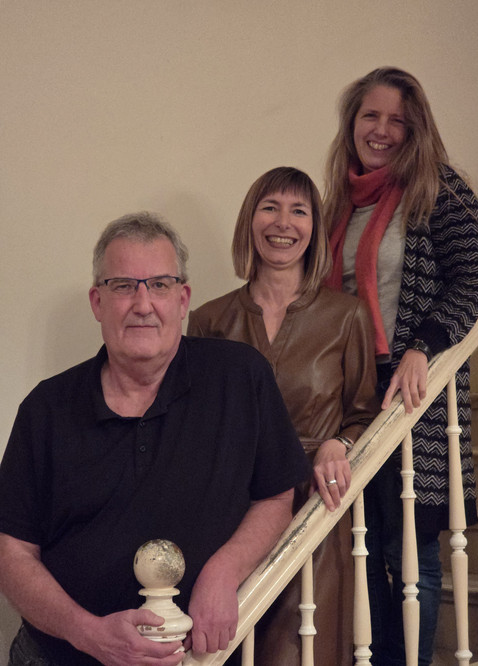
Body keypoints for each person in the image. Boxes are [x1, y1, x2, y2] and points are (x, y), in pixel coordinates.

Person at [0, 212, 311, 666]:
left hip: (198, 658)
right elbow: (11, 552)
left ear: (183, 300)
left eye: (160, 285)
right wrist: (88, 633)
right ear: (97, 302)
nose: (143, 304)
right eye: (123, 286)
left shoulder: (240, 377)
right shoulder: (45, 409)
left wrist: (224, 571)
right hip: (56, 656)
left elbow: (277, 497)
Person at [323, 66, 478, 665]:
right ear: (352, 123)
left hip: (414, 394)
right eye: (371, 115)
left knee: (410, 551)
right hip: (351, 394)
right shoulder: (337, 203)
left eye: (397, 119)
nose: (382, 130)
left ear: (416, 128)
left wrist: (423, 345)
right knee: (359, 549)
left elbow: (473, 281)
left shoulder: (439, 188)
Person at [187, 166, 379, 665]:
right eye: (270, 207)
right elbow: (195, 428)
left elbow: (364, 414)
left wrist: (340, 443)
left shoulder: (347, 315)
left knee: (299, 651)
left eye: (299, 211)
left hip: (314, 508)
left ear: (315, 228)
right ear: (250, 220)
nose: (283, 222)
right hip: (232, 516)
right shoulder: (208, 320)